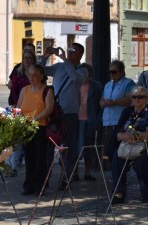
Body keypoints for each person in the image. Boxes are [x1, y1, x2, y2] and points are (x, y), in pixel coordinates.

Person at [39, 43, 88, 190]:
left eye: (73, 51)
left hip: (69, 113)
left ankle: (66, 179)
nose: (70, 53)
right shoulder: (60, 67)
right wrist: (45, 56)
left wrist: (65, 59)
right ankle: (45, 178)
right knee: (48, 145)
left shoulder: (83, 70)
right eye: (69, 50)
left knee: (67, 147)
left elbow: (74, 77)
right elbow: (41, 72)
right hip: (54, 111)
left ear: (80, 54)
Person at [17, 64, 54, 196]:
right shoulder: (25, 90)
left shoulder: (47, 90)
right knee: (29, 157)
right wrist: (24, 121)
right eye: (30, 75)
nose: (31, 77)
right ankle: (29, 185)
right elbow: (18, 107)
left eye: (34, 75)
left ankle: (39, 186)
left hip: (41, 127)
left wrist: (34, 120)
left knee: (40, 157)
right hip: (27, 127)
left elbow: (48, 109)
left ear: (41, 76)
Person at [110, 86, 148, 204]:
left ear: (146, 99)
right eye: (135, 97)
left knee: (142, 162)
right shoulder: (127, 112)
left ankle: (146, 193)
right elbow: (118, 134)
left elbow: (146, 136)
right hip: (126, 146)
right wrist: (128, 137)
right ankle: (119, 193)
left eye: (141, 97)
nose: (137, 99)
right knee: (117, 158)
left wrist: (134, 137)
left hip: (143, 147)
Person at [8, 50, 36, 176]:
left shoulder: (35, 73)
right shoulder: (17, 71)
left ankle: (28, 165)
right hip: (19, 108)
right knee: (17, 139)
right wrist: (14, 105)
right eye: (25, 58)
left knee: (29, 139)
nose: (27, 60)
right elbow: (13, 89)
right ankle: (14, 166)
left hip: (32, 110)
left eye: (29, 58)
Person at [100, 60, 135, 161]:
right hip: (107, 122)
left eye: (114, 72)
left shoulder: (128, 83)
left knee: (118, 151)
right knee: (106, 151)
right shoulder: (107, 85)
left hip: (120, 122)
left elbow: (130, 99)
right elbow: (101, 99)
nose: (111, 74)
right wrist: (103, 103)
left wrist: (114, 102)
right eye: (110, 72)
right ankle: (108, 173)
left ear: (121, 71)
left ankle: (118, 174)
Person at [74, 63, 103, 181]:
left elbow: (101, 104)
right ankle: (74, 173)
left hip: (90, 120)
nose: (82, 75)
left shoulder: (96, 86)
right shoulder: (74, 84)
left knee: (89, 148)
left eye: (85, 73)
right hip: (76, 120)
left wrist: (98, 120)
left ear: (90, 74)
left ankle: (87, 172)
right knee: (75, 147)